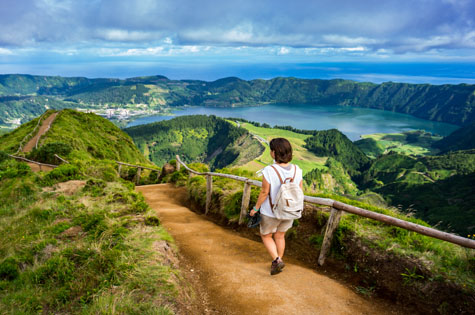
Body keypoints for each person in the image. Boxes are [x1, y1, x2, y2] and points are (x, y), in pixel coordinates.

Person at [249, 137, 303, 275]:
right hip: (290, 211)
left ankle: (277, 260)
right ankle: (279, 261)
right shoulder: (297, 170)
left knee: (266, 235)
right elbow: (300, 191)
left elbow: (264, 192)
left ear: (274, 153)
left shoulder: (269, 170)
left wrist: (255, 209)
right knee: (280, 236)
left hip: (271, 212)